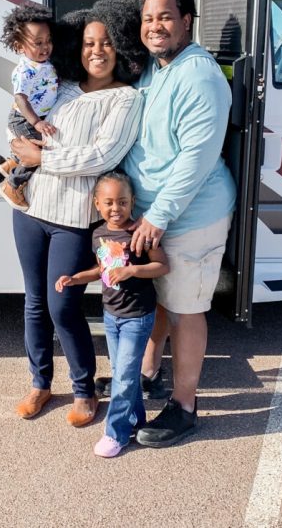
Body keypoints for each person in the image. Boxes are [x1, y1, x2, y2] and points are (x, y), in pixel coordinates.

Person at [10, 0, 147, 426]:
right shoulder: (62, 86)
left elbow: (100, 156)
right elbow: (24, 126)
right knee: (34, 302)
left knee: (62, 307)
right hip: (32, 209)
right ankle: (40, 383)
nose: (96, 51)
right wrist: (21, 152)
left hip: (74, 221)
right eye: (88, 43)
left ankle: (85, 390)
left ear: (120, 47)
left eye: (106, 43)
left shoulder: (126, 100)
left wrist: (42, 159)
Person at [122, 0, 236, 448]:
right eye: (149, 19)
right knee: (165, 300)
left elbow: (196, 158)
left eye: (166, 17)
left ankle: (186, 406)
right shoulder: (156, 68)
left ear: (186, 21)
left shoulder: (199, 75)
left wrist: (158, 216)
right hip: (157, 214)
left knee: (187, 309)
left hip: (190, 216)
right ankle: (149, 374)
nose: (155, 27)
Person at [55, 171, 169, 458]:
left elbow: (162, 266)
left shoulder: (139, 232)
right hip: (111, 314)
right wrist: (75, 278)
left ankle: (115, 433)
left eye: (122, 202)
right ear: (96, 204)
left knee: (126, 378)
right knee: (122, 373)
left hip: (137, 316)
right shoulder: (99, 234)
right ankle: (136, 420)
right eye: (108, 203)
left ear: (132, 203)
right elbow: (101, 270)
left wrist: (132, 270)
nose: (115, 209)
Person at [0, 3, 59, 210]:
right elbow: (21, 98)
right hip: (24, 118)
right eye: (38, 43)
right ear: (19, 46)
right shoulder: (25, 70)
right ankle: (12, 186)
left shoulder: (43, 64)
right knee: (35, 152)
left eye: (48, 41)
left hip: (32, 116)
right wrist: (36, 122)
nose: (45, 47)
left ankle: (11, 164)